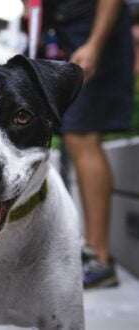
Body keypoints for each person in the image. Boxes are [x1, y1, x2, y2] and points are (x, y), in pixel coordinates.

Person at [27, 0, 134, 289]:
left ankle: (99, 259)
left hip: (94, 32)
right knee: (53, 132)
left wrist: (95, 44)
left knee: (82, 134)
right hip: (59, 33)